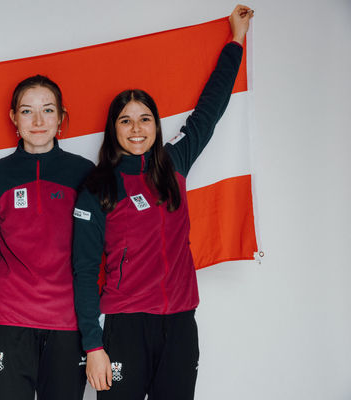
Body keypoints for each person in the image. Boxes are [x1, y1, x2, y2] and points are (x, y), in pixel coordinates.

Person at [71, 5, 254, 399]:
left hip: (180, 323)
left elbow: (209, 110)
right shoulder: (98, 187)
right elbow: (84, 271)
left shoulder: (174, 163)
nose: (136, 128)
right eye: (125, 120)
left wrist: (236, 40)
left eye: (145, 119)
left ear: (156, 125)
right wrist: (93, 345)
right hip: (125, 325)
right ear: (113, 128)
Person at [0, 75, 95, 400]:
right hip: (8, 322)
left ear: (61, 116)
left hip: (67, 324)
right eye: (27, 111)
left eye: (48, 110)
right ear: (14, 118)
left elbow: (95, 254)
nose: (39, 121)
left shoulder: (85, 173)